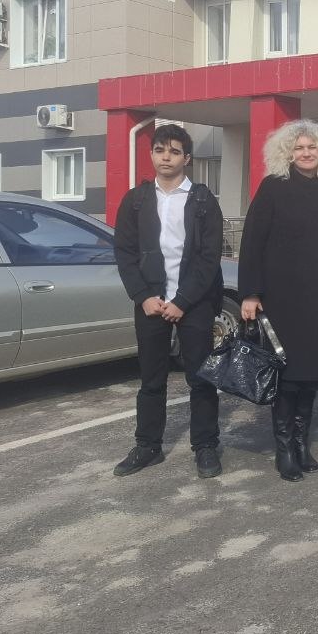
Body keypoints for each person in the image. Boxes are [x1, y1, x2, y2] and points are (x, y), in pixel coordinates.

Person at [239, 119, 318, 482]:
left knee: (311, 375)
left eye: (311, 147)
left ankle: (303, 442)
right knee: (287, 375)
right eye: (299, 148)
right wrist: (250, 292)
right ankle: (285, 448)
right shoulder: (274, 188)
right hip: (282, 297)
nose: (306, 153)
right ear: (288, 153)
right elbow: (253, 241)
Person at [112, 124, 224, 479]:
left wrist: (183, 300)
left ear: (186, 158)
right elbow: (125, 253)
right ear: (152, 154)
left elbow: (209, 257)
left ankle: (205, 446)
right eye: (160, 150)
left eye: (174, 152)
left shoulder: (203, 200)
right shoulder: (136, 200)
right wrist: (143, 296)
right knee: (151, 379)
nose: (166, 157)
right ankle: (148, 445)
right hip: (151, 303)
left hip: (194, 303)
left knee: (201, 378)